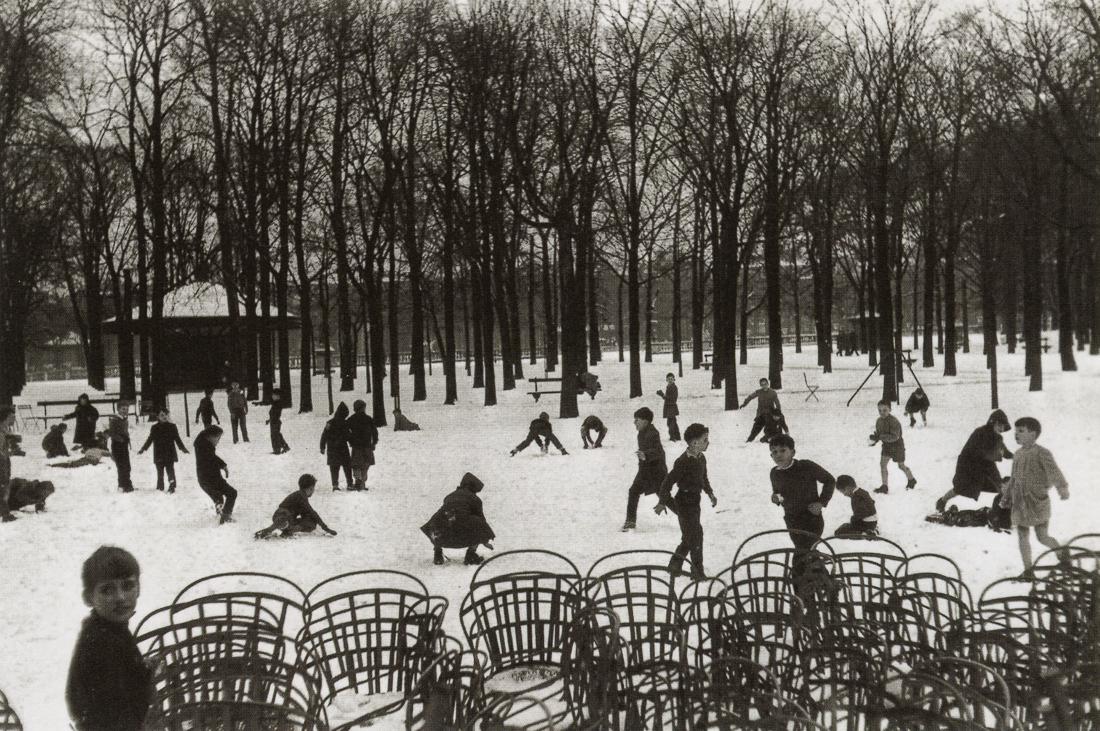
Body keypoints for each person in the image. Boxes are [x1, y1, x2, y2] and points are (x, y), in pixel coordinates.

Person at [65, 546, 154, 731]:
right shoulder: (100, 642)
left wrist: (142, 670)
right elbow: (114, 709)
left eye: (128, 586)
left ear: (139, 589)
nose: (120, 597)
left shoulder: (110, 628)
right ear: (89, 598)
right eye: (107, 590)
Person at [1000, 417, 1070, 579]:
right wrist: (1006, 497)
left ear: (1033, 434)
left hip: (1037, 501)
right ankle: (1028, 570)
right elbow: (1014, 478)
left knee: (1042, 536)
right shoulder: (1017, 455)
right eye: (1016, 431)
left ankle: (1062, 554)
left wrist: (1062, 487)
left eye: (1021, 431)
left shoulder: (1042, 453)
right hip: (1020, 503)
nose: (1016, 434)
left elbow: (1054, 471)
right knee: (1022, 535)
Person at [655, 423, 716, 579]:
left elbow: (704, 478)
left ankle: (675, 566)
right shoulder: (682, 462)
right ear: (694, 443)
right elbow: (667, 483)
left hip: (695, 501)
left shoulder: (702, 458)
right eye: (705, 440)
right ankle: (696, 571)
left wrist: (710, 493)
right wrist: (662, 502)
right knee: (694, 535)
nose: (707, 442)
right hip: (683, 501)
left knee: (691, 536)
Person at [935, 409, 1013, 514]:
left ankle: (1005, 512)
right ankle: (942, 501)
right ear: (992, 423)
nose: (1001, 428)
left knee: (999, 485)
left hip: (987, 465)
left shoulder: (998, 438)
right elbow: (980, 451)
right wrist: (996, 453)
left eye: (1003, 426)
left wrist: (1015, 456)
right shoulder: (980, 433)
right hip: (969, 465)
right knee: (960, 489)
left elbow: (1004, 452)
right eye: (999, 425)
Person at [768, 434, 835, 551]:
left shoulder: (805, 466)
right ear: (771, 456)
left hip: (811, 519)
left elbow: (829, 480)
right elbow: (777, 492)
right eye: (774, 452)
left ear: (793, 452)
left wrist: (821, 502)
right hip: (792, 520)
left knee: (805, 551)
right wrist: (775, 498)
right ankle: (813, 569)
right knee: (804, 551)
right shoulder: (774, 473)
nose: (778, 454)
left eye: (783, 450)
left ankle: (802, 569)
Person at [421, 472, 496, 565]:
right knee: (478, 521)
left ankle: (438, 553)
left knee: (438, 519)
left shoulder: (449, 496)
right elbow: (482, 522)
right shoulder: (475, 499)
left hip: (443, 537)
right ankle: (470, 555)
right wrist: (485, 539)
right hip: (462, 536)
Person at [622, 407, 667, 531]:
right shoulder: (642, 433)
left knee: (664, 498)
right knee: (634, 491)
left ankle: (686, 517)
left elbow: (657, 451)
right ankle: (630, 522)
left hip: (656, 471)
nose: (634, 423)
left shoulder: (652, 433)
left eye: (637, 420)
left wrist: (646, 455)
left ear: (646, 421)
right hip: (646, 471)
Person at [254, 474, 338, 539]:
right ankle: (270, 529)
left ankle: (288, 530)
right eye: (313, 488)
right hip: (281, 514)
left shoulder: (301, 496)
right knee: (286, 516)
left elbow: (308, 514)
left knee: (311, 522)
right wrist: (326, 528)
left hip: (288, 518)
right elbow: (312, 511)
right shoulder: (301, 496)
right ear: (310, 488)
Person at [869, 400, 916, 494]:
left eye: (884, 410)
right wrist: (875, 439)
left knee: (901, 466)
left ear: (890, 409)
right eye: (880, 410)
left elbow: (895, 437)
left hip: (897, 446)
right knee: (883, 465)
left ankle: (911, 479)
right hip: (886, 446)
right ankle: (884, 486)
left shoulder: (894, 421)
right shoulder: (878, 421)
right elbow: (879, 434)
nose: (882, 412)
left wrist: (880, 437)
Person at [137, 408, 189, 493]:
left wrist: (183, 448)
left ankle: (172, 484)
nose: (164, 417)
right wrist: (143, 449)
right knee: (160, 471)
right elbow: (150, 439)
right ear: (157, 417)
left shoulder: (172, 427)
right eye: (162, 415)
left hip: (169, 453)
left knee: (170, 469)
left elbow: (177, 439)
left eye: (166, 415)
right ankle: (160, 486)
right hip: (159, 453)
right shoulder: (154, 428)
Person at [194, 425, 237, 524]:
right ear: (210, 437)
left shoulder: (205, 447)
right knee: (220, 497)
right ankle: (223, 516)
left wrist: (223, 465)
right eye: (218, 438)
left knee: (231, 493)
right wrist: (222, 465)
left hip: (214, 479)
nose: (218, 441)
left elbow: (213, 457)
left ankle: (224, 515)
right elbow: (211, 459)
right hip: (207, 481)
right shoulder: (204, 448)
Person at [346, 400, 379, 490]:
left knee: (356, 465)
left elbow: (346, 431)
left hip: (356, 446)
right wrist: (374, 442)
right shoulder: (368, 419)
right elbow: (375, 432)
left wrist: (350, 440)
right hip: (367, 446)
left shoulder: (351, 419)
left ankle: (358, 481)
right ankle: (362, 482)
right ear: (363, 408)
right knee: (366, 464)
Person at [320, 402, 353, 490]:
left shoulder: (329, 423)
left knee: (334, 467)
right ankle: (349, 484)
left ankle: (335, 485)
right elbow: (348, 435)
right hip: (343, 449)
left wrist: (322, 447)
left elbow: (324, 435)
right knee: (347, 467)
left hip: (332, 449)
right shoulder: (345, 423)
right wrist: (352, 442)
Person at [742, 378, 783, 442]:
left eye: (765, 384)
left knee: (770, 428)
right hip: (760, 414)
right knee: (756, 428)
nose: (764, 386)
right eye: (762, 384)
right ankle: (749, 440)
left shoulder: (772, 393)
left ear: (768, 384)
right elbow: (750, 397)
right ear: (760, 385)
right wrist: (744, 404)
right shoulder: (758, 392)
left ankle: (768, 439)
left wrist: (778, 413)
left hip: (770, 414)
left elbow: (777, 403)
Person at [108, 401, 134, 492]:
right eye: (123, 409)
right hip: (117, 446)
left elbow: (125, 432)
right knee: (121, 466)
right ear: (118, 409)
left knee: (127, 466)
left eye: (127, 409)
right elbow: (111, 433)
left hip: (124, 446)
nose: (125, 411)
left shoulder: (125, 420)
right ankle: (122, 485)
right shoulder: (114, 420)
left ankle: (128, 484)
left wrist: (127, 439)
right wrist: (121, 439)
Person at [0, 406, 16, 523]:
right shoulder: (1, 432)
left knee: (5, 483)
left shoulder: (5, 430)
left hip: (5, 460)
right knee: (3, 485)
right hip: (2, 461)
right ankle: (5, 514)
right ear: (5, 418)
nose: (14, 419)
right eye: (11, 417)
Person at [656, 373, 681, 442]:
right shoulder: (669, 386)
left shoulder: (673, 387)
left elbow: (672, 398)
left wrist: (662, 395)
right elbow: (668, 398)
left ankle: (673, 437)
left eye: (671, 379)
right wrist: (663, 395)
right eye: (669, 379)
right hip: (669, 407)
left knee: (670, 423)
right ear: (666, 380)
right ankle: (677, 436)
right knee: (673, 422)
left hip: (671, 407)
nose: (670, 380)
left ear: (674, 379)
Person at [266, 390, 290, 454]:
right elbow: (273, 413)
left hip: (275, 422)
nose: (272, 396)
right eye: (272, 395)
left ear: (277, 396)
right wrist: (269, 420)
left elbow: (276, 414)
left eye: (274, 395)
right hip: (274, 421)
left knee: (275, 435)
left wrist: (271, 419)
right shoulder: (275, 403)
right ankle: (284, 447)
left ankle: (277, 449)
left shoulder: (278, 403)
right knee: (276, 435)